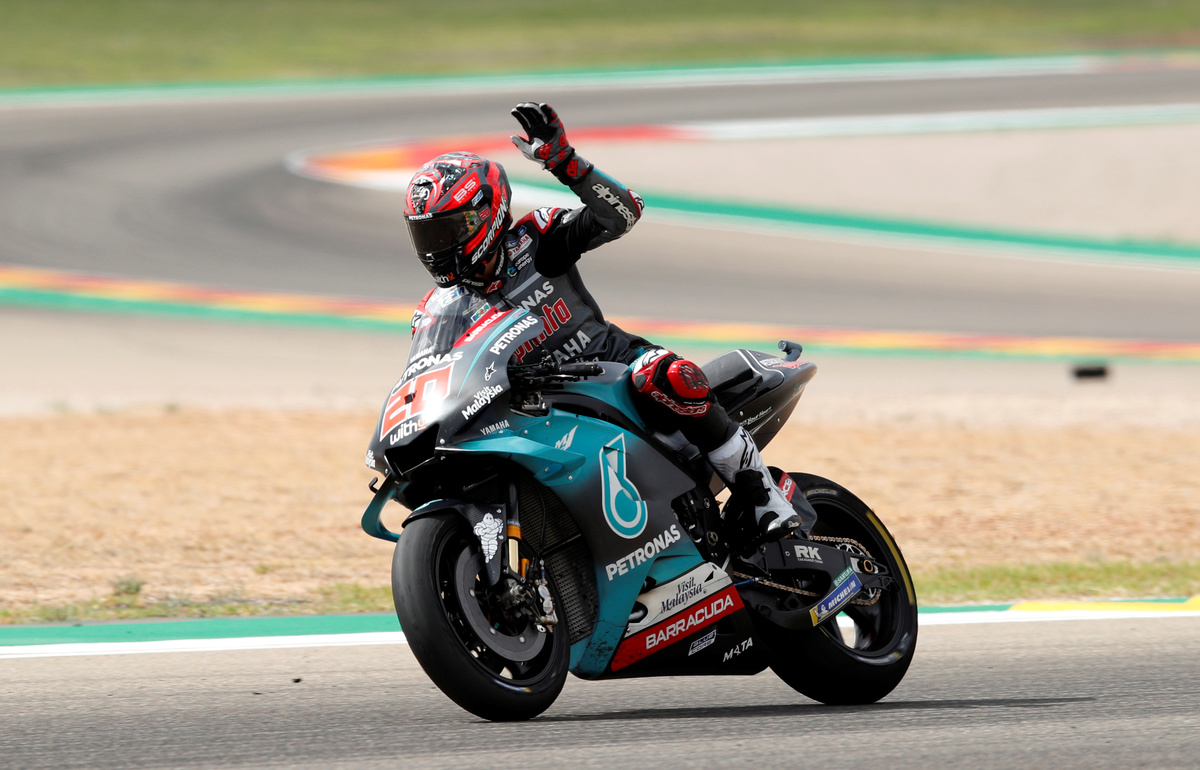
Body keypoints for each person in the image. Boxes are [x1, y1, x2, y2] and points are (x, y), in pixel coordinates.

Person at [403, 102, 806, 541]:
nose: (435, 248)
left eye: (445, 232)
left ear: (487, 214)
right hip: (537, 413)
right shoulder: (439, 310)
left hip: (616, 375)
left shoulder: (535, 241)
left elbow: (623, 213)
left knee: (667, 375)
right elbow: (424, 386)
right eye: (425, 235)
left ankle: (766, 500)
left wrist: (566, 163)